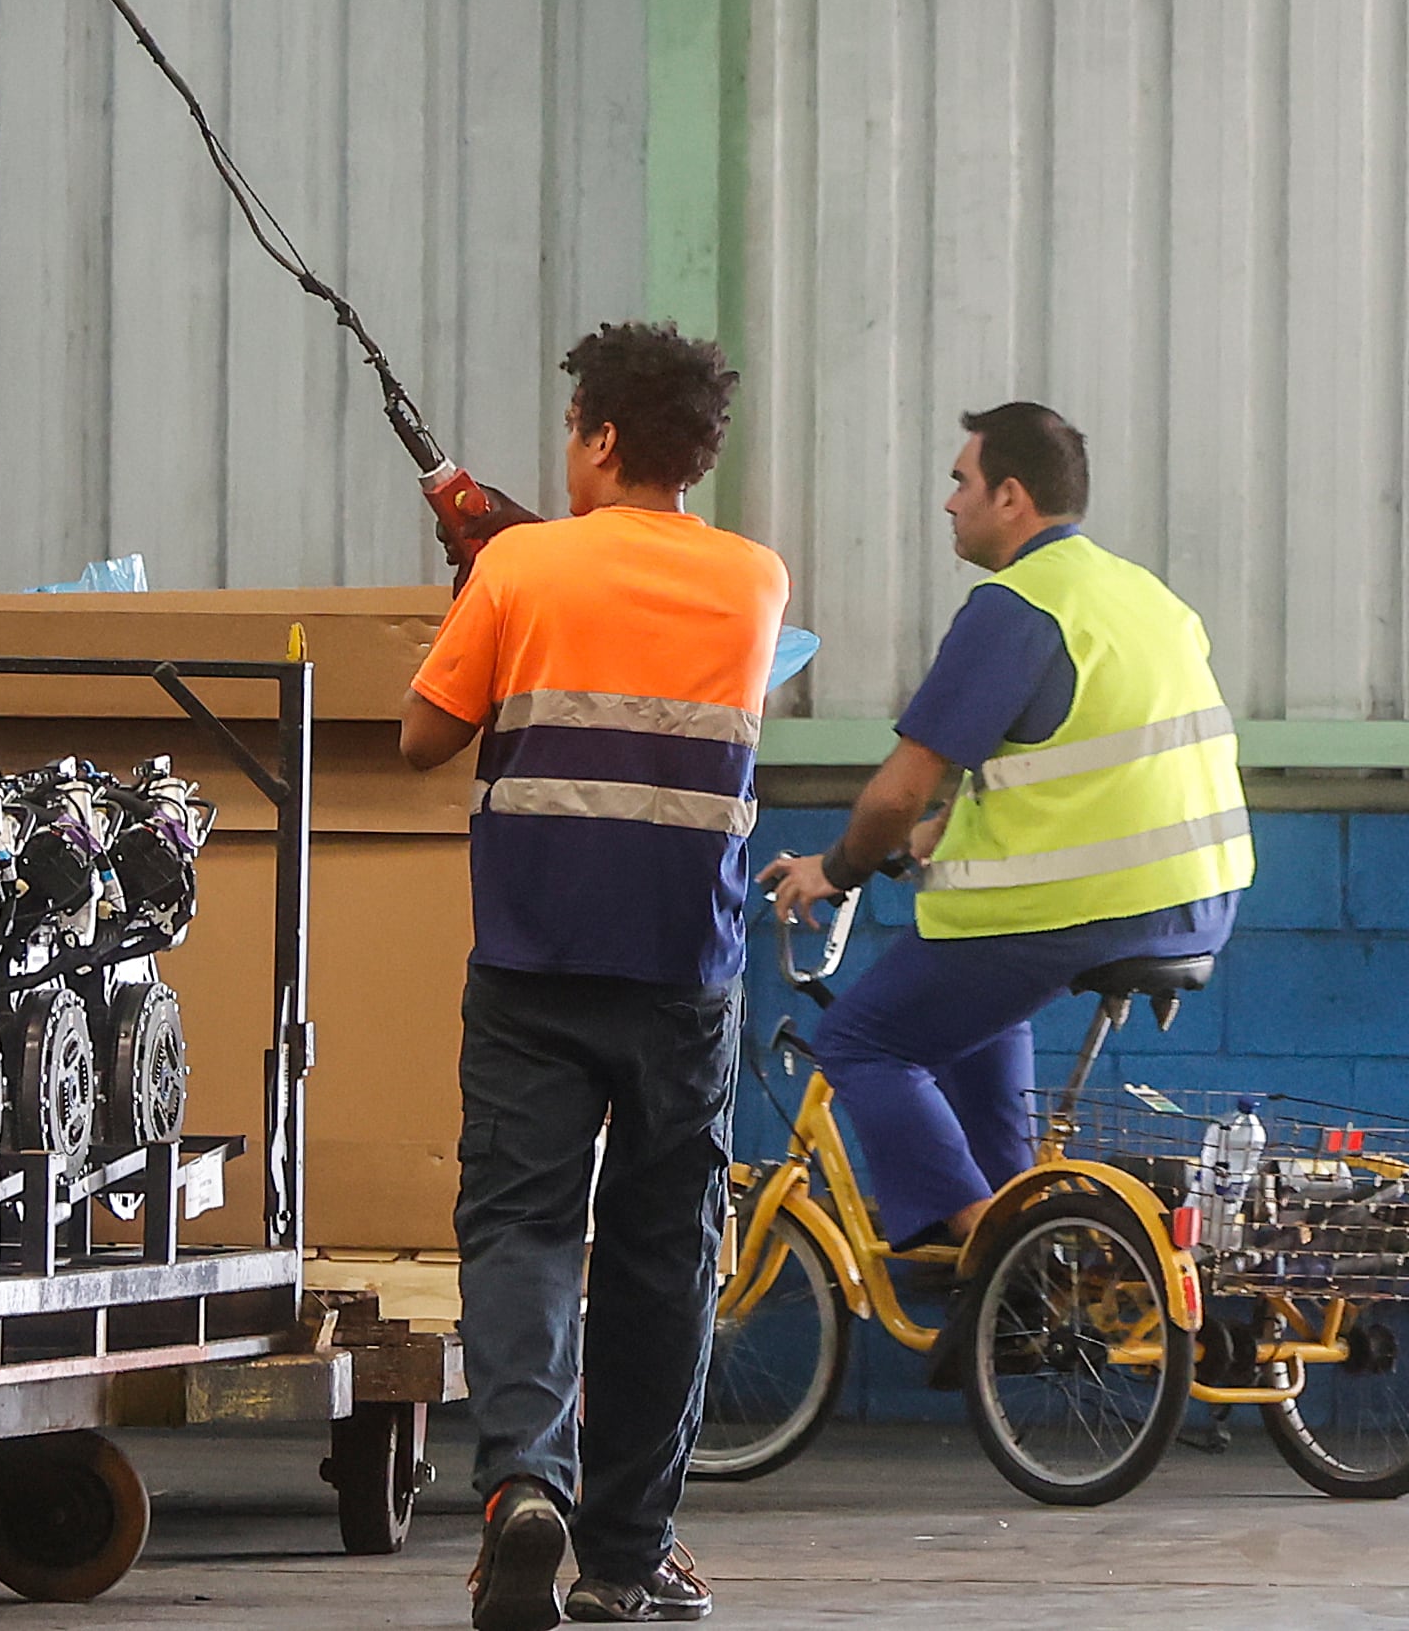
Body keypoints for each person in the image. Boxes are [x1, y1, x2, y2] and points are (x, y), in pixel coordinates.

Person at [401, 322, 788, 1629]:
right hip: (682, 973)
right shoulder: (755, 581)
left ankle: (521, 1485)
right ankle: (626, 1556)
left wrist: (478, 584)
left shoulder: (517, 568)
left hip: (530, 961)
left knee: (516, 1223)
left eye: (574, 427)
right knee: (659, 1251)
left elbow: (419, 737)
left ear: (603, 436)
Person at [760, 402, 1251, 1380]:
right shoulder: (1138, 596)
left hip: (1077, 908)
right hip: (1195, 895)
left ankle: (997, 1261)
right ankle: (1024, 1227)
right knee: (981, 1015)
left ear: (1010, 497)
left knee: (862, 1038)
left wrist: (838, 865)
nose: (946, 503)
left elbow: (902, 785)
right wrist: (933, 843)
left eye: (958, 482)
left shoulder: (1016, 609)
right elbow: (1077, 776)